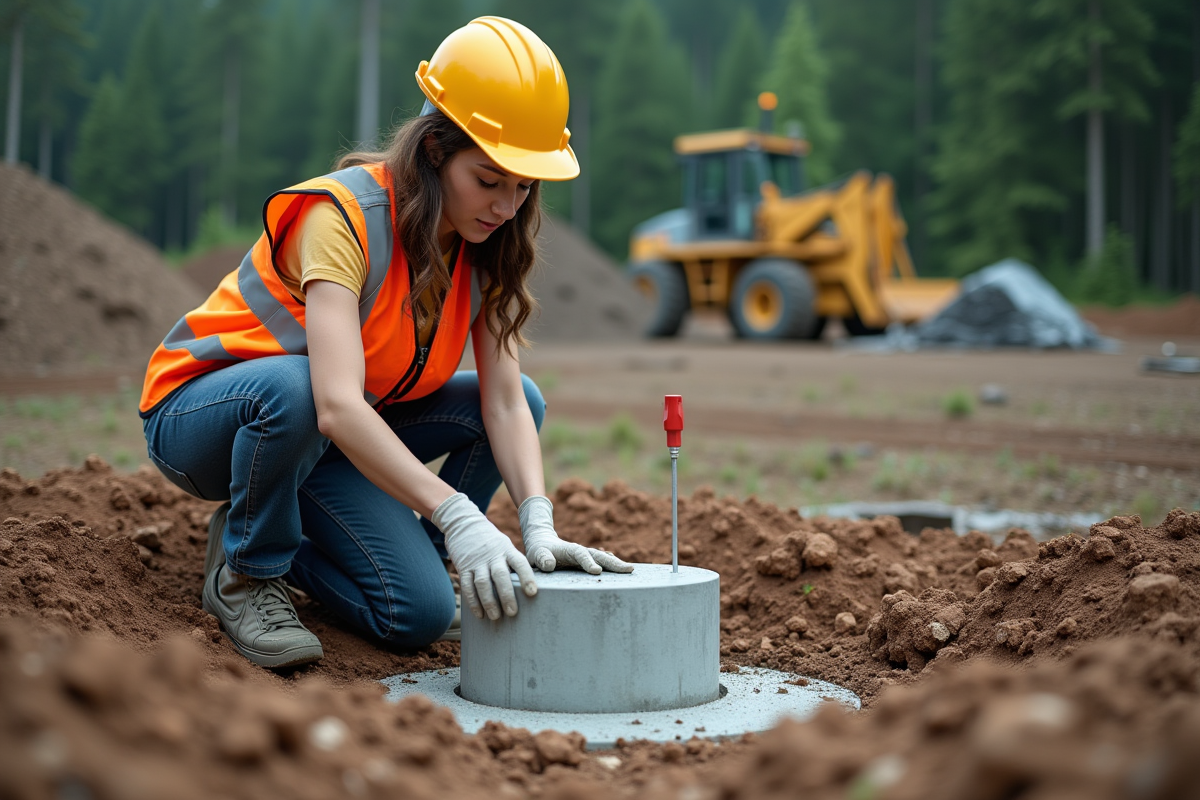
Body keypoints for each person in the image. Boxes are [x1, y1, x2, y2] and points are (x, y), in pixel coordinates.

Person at [139, 17, 631, 670]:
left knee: (418, 612)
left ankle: (422, 561)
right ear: (433, 150)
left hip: (320, 436)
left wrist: (537, 520)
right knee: (295, 386)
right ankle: (247, 570)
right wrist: (458, 512)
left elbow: (507, 403)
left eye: (524, 186)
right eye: (489, 180)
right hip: (208, 419)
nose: (507, 207)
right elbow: (336, 404)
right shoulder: (341, 218)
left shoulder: (484, 244)